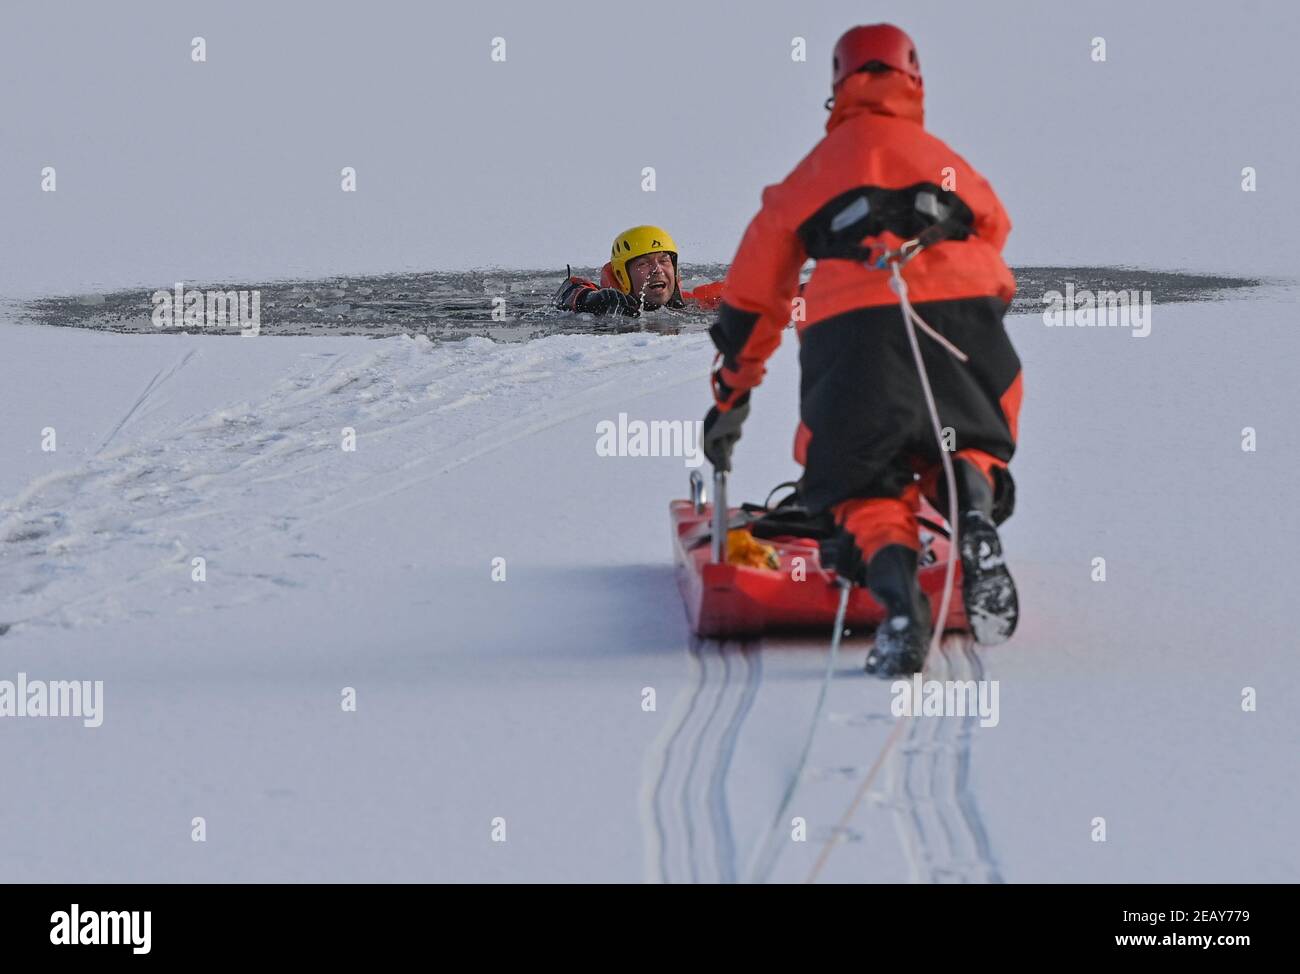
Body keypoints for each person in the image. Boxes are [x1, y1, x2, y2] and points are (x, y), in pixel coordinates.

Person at [700, 24, 1022, 677]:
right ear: (915, 80)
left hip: (854, 328)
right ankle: (974, 514)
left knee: (860, 479)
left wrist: (732, 395)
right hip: (964, 317)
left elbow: (754, 294)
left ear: (837, 87)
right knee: (964, 440)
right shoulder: (943, 157)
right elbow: (995, 225)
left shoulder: (813, 172)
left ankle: (902, 609)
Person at [553, 225, 723, 316]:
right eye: (643, 264)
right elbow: (568, 291)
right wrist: (590, 300)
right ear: (621, 275)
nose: (657, 269)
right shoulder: (605, 301)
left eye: (664, 260)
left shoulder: (692, 303)